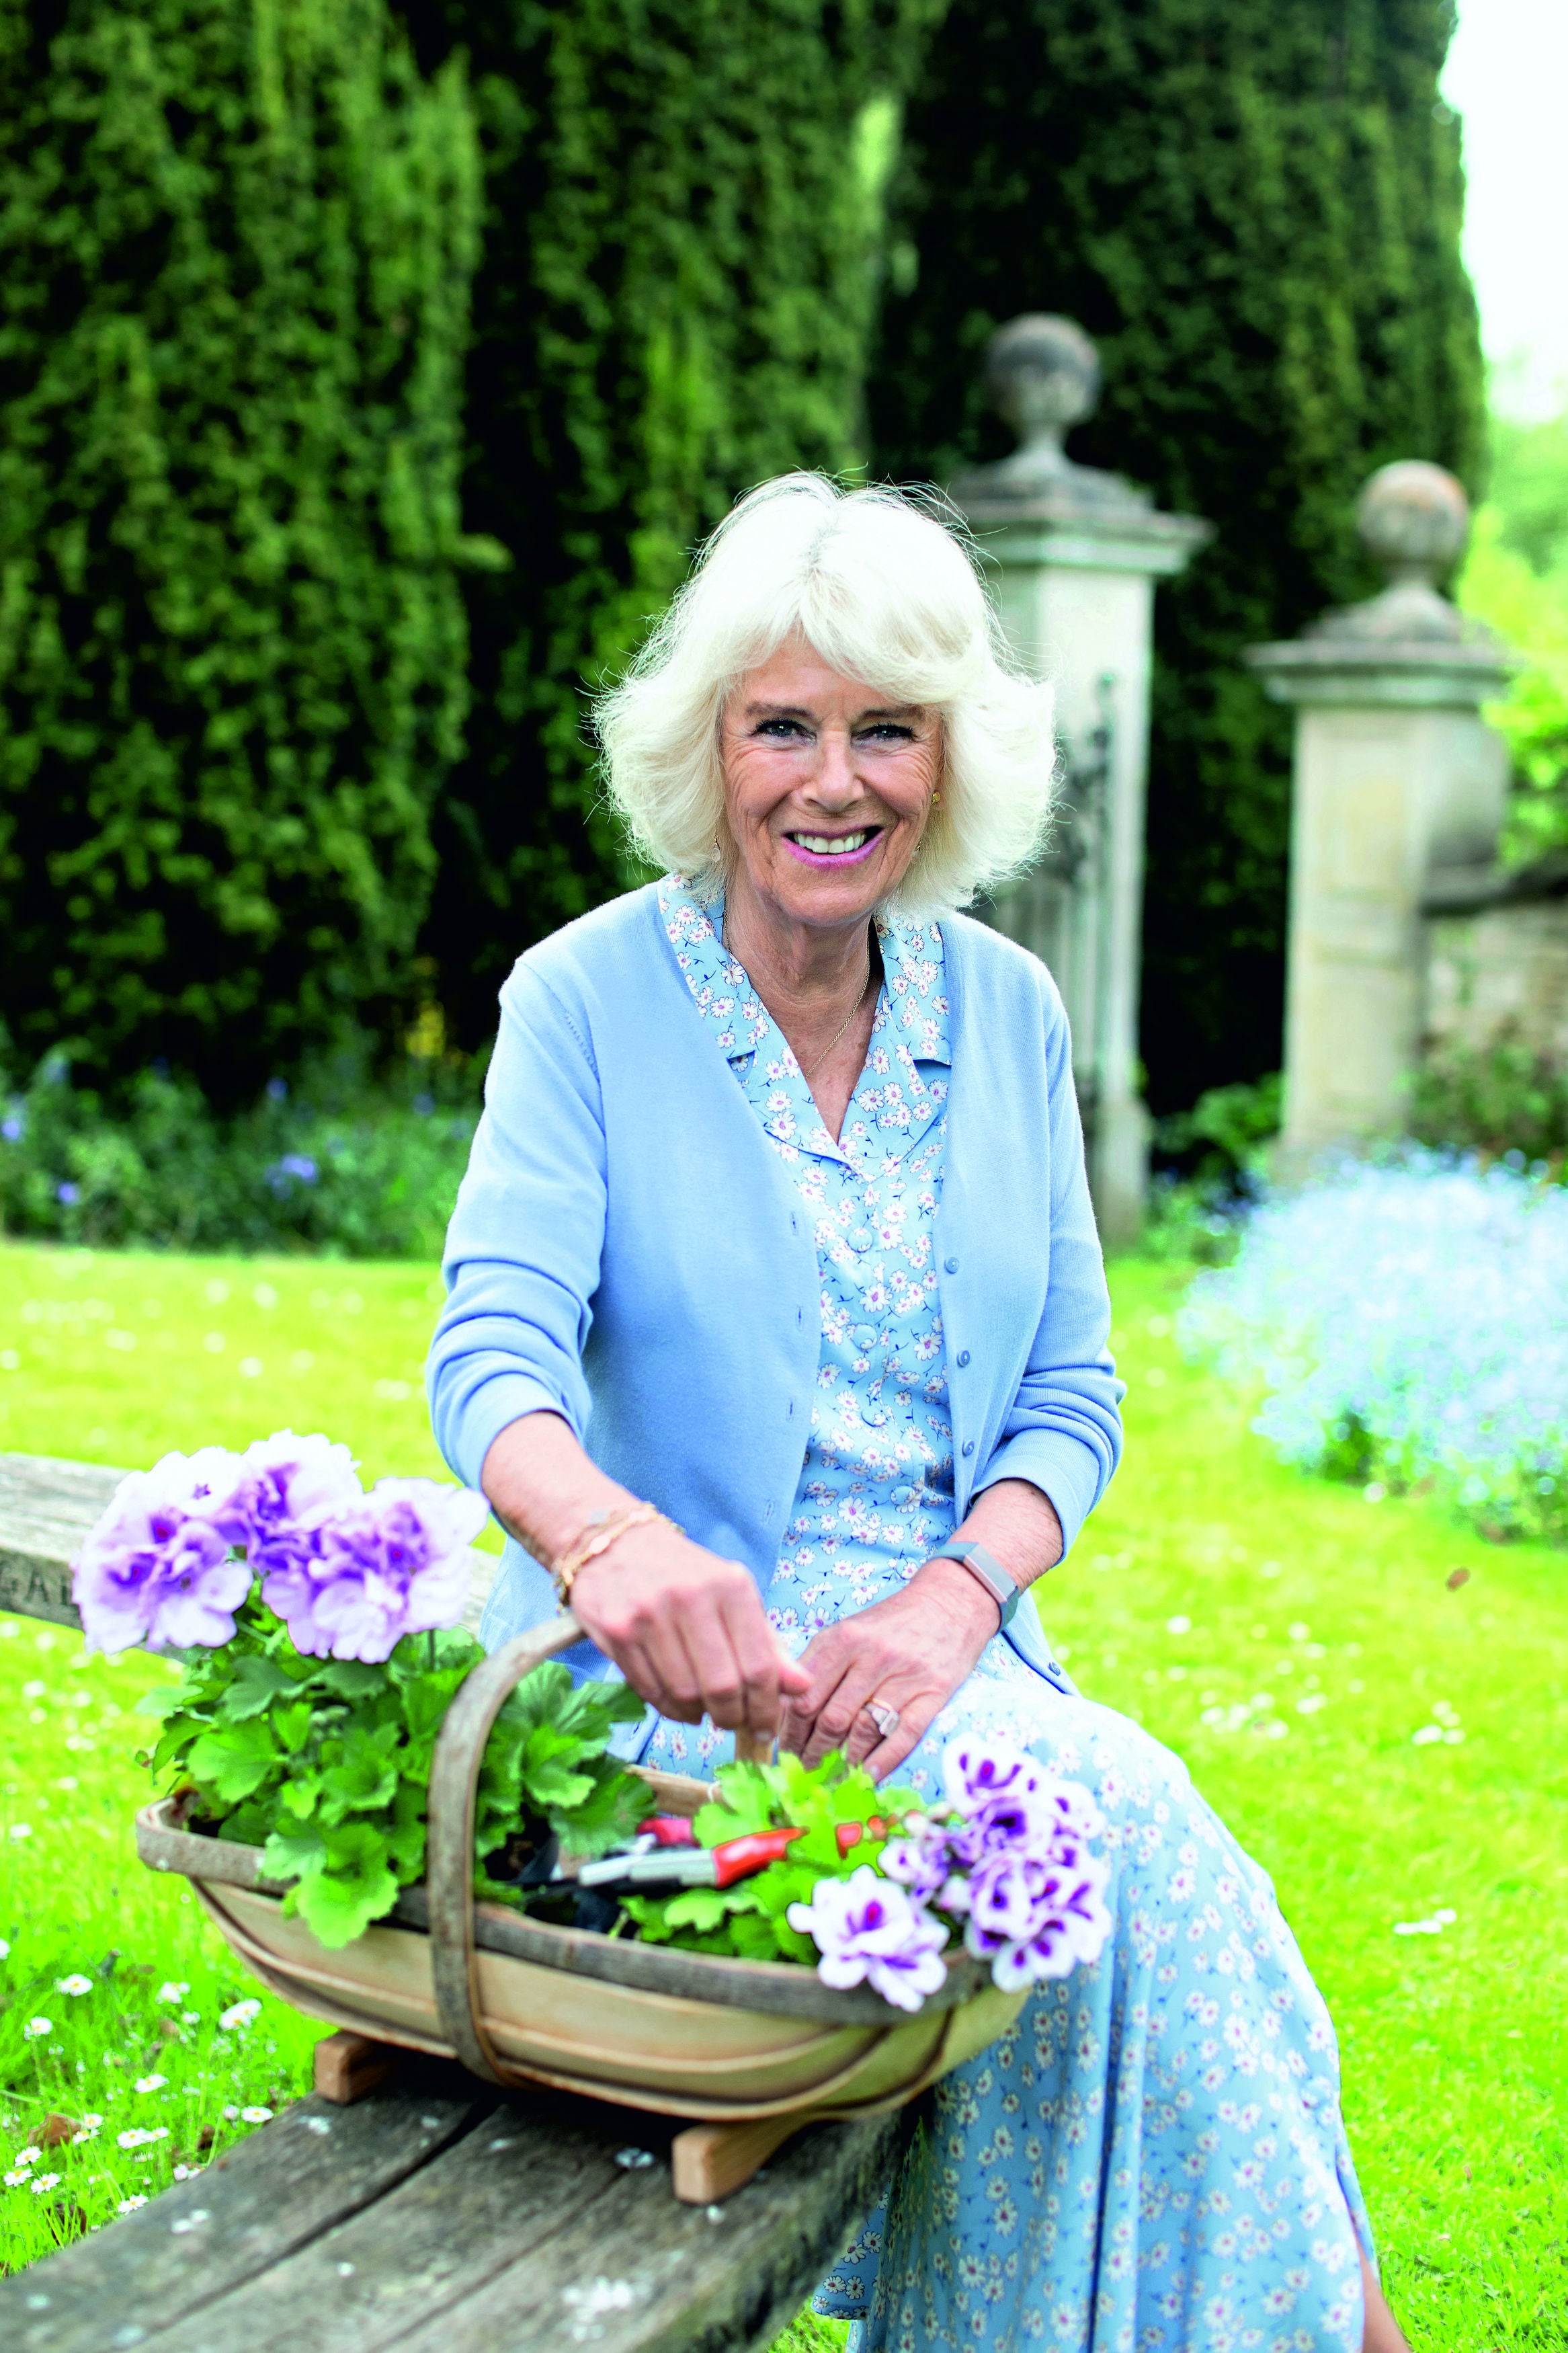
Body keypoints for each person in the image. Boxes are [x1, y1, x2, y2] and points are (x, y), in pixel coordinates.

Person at [427, 474, 1407, 2353]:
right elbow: (492, 1357)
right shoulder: (583, 1000)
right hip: (680, 1703)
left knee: (1167, 1899)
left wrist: (956, 1600)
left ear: (948, 759)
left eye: (887, 730)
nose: (834, 779)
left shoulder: (1008, 1010)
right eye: (782, 725)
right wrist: (612, 1543)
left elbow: (1069, 1396)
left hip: (945, 1659)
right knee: (1133, 1837)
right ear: (706, 747)